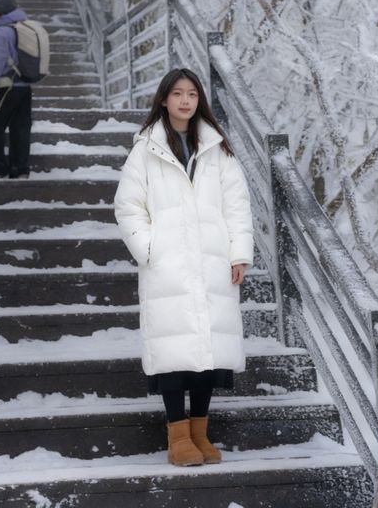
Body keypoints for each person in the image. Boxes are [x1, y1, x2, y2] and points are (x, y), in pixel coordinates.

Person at [114, 67, 253, 467]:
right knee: (174, 352)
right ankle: (178, 437)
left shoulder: (218, 149)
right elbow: (128, 206)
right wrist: (149, 249)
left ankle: (199, 434)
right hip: (168, 265)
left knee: (206, 355)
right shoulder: (146, 149)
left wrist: (238, 253)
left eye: (192, 93)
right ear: (164, 99)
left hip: (212, 263)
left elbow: (237, 205)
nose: (186, 100)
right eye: (177, 93)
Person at [0, 0, 32, 179]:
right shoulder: (23, 27)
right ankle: (21, 170)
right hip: (24, 86)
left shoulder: (2, 32)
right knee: (20, 128)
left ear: (0, 11)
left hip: (5, 86)